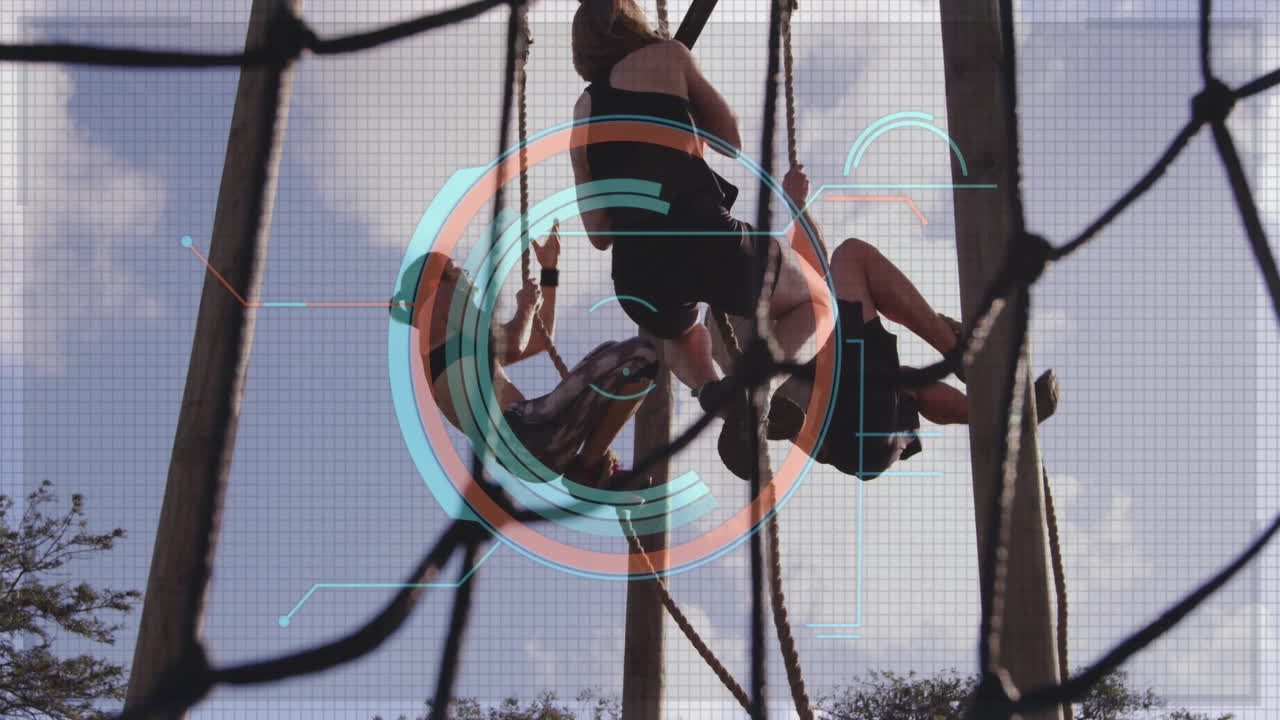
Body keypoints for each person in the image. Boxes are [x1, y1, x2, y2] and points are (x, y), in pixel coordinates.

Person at [569, 0, 831, 476]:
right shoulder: (668, 56)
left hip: (636, 273)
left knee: (679, 331)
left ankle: (713, 392)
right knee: (816, 302)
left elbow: (599, 233)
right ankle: (759, 389)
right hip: (704, 236)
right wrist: (688, 122)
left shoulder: (582, 112)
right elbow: (731, 141)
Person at [757, 237, 1060, 480]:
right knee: (851, 256)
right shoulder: (761, 309)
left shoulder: (780, 303)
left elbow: (815, 265)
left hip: (864, 445)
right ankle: (959, 356)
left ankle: (994, 416)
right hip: (845, 414)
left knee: (906, 380)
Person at [392, 225, 655, 485]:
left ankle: (590, 469)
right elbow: (512, 345)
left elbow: (538, 342)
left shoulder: (446, 347)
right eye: (458, 269)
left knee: (609, 351)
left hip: (525, 457)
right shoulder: (443, 295)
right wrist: (526, 308)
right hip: (526, 431)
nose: (466, 275)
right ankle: (588, 466)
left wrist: (549, 271)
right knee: (642, 355)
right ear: (439, 279)